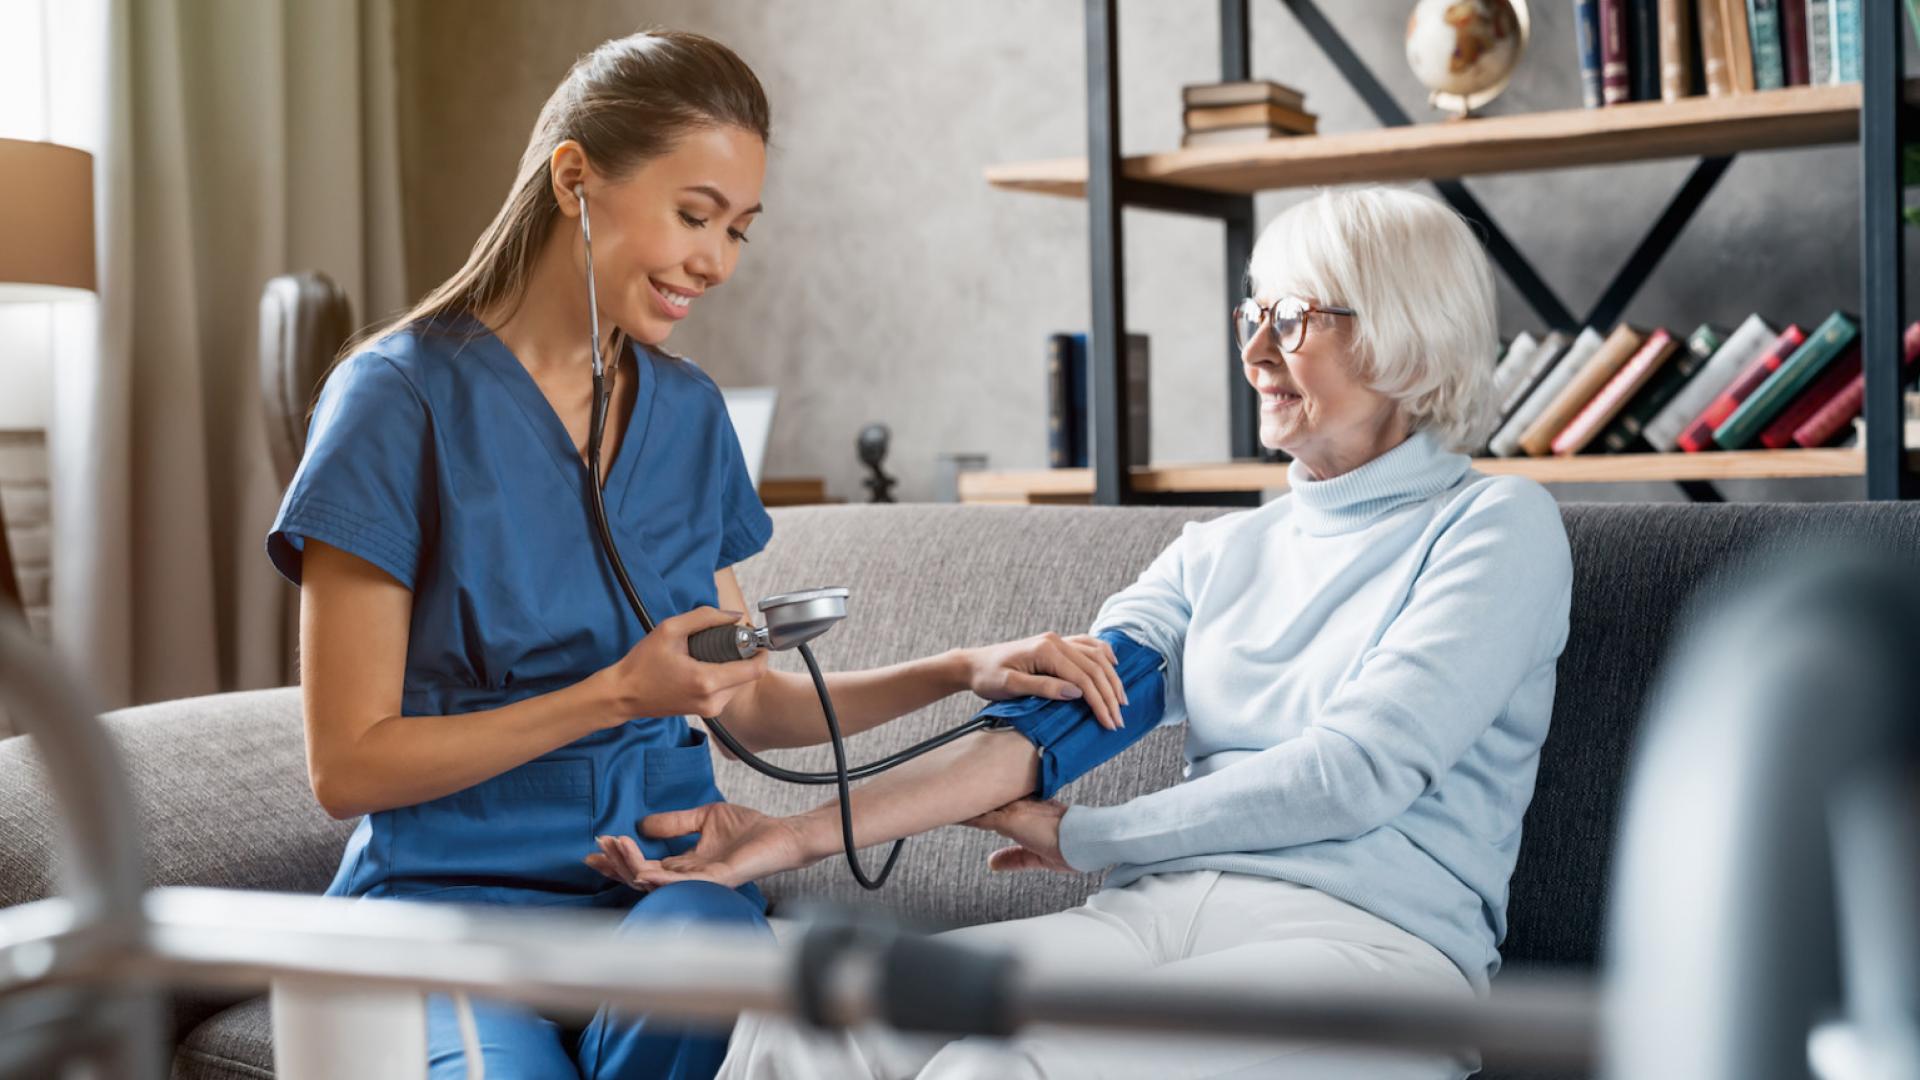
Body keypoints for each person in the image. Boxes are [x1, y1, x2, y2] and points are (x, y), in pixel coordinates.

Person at [265, 29, 1125, 1080]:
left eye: (739, 232)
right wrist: (617, 695)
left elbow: (749, 703)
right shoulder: (393, 401)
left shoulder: (687, 413)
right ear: (575, 179)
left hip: (656, 901)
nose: (714, 263)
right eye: (694, 215)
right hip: (447, 912)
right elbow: (345, 765)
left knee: (716, 941)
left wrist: (957, 669)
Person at [591, 186, 1576, 1079]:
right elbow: (1044, 733)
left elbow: (1355, 773)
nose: (1255, 353)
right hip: (1152, 918)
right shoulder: (1218, 552)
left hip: (1368, 953)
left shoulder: (1494, 528)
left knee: (1004, 1072)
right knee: (813, 1016)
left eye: (1292, 318)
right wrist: (789, 838)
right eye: (1251, 314)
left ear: (1405, 330)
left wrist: (1090, 834)